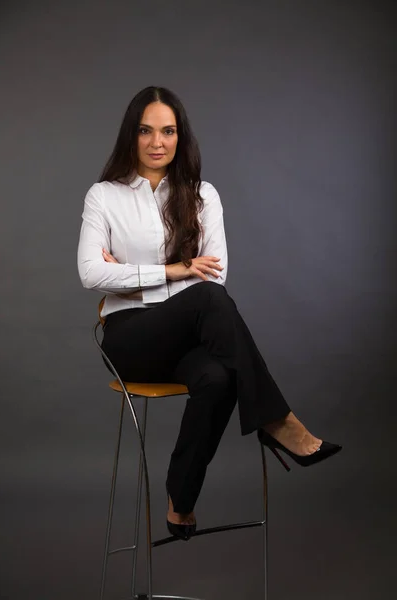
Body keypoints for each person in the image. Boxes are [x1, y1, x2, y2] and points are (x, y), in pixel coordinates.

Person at [77, 85, 342, 541]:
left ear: (181, 137)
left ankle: (180, 498)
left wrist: (129, 272)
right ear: (131, 135)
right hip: (129, 338)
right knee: (206, 302)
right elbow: (89, 274)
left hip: (188, 334)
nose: (157, 142)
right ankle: (277, 421)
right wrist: (176, 269)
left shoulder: (203, 196)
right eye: (146, 130)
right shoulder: (104, 196)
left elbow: (213, 278)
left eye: (168, 131)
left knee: (218, 376)